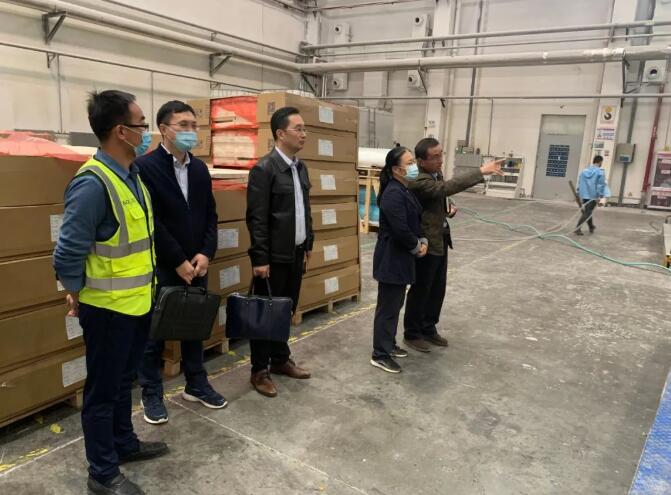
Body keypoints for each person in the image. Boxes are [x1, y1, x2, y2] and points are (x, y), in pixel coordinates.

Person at [54, 90, 167, 495]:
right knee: (102, 392)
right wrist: (75, 292)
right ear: (121, 131)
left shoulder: (131, 176)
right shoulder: (92, 184)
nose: (147, 132)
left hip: (137, 304)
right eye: (142, 124)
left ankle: (124, 443)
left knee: (123, 382)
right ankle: (102, 472)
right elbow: (67, 251)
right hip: (107, 310)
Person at [135, 100, 226, 425]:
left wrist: (206, 253)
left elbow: (210, 215)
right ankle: (151, 393)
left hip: (197, 263)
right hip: (163, 264)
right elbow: (151, 220)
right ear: (164, 129)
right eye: (182, 125)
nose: (190, 131)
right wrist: (176, 260)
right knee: (154, 332)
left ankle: (196, 384)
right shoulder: (145, 168)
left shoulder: (199, 169)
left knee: (194, 327)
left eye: (193, 125)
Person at [404, 138, 504, 352]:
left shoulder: (435, 173)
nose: (440, 160)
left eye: (441, 154)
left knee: (437, 288)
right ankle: (412, 333)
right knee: (421, 289)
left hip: (440, 238)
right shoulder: (418, 180)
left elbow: (439, 196)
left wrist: (447, 208)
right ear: (421, 161)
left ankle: (428, 328)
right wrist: (481, 171)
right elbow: (444, 188)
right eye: (435, 157)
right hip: (426, 242)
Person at [246, 106, 313, 397]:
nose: (304, 134)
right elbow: (257, 218)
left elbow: (304, 209)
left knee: (285, 310)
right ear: (280, 133)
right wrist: (260, 258)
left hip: (296, 253)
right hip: (272, 259)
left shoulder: (300, 167)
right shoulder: (265, 169)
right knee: (266, 314)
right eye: (298, 129)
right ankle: (259, 370)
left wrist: (308, 243)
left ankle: (280, 359)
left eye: (304, 128)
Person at [370, 146, 427, 373]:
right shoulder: (393, 193)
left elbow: (415, 220)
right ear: (396, 169)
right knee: (387, 308)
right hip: (391, 259)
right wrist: (417, 246)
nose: (414, 167)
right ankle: (380, 354)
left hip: (401, 259)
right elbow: (400, 229)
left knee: (394, 305)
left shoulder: (404, 189)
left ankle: (388, 344)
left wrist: (422, 238)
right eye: (409, 163)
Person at [575, 155, 606, 236]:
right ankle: (577, 228)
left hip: (584, 195)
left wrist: (578, 192)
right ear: (600, 162)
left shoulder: (584, 171)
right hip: (593, 195)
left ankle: (591, 226)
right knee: (588, 212)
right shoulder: (600, 172)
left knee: (588, 211)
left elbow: (580, 182)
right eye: (601, 162)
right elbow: (600, 185)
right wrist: (600, 195)